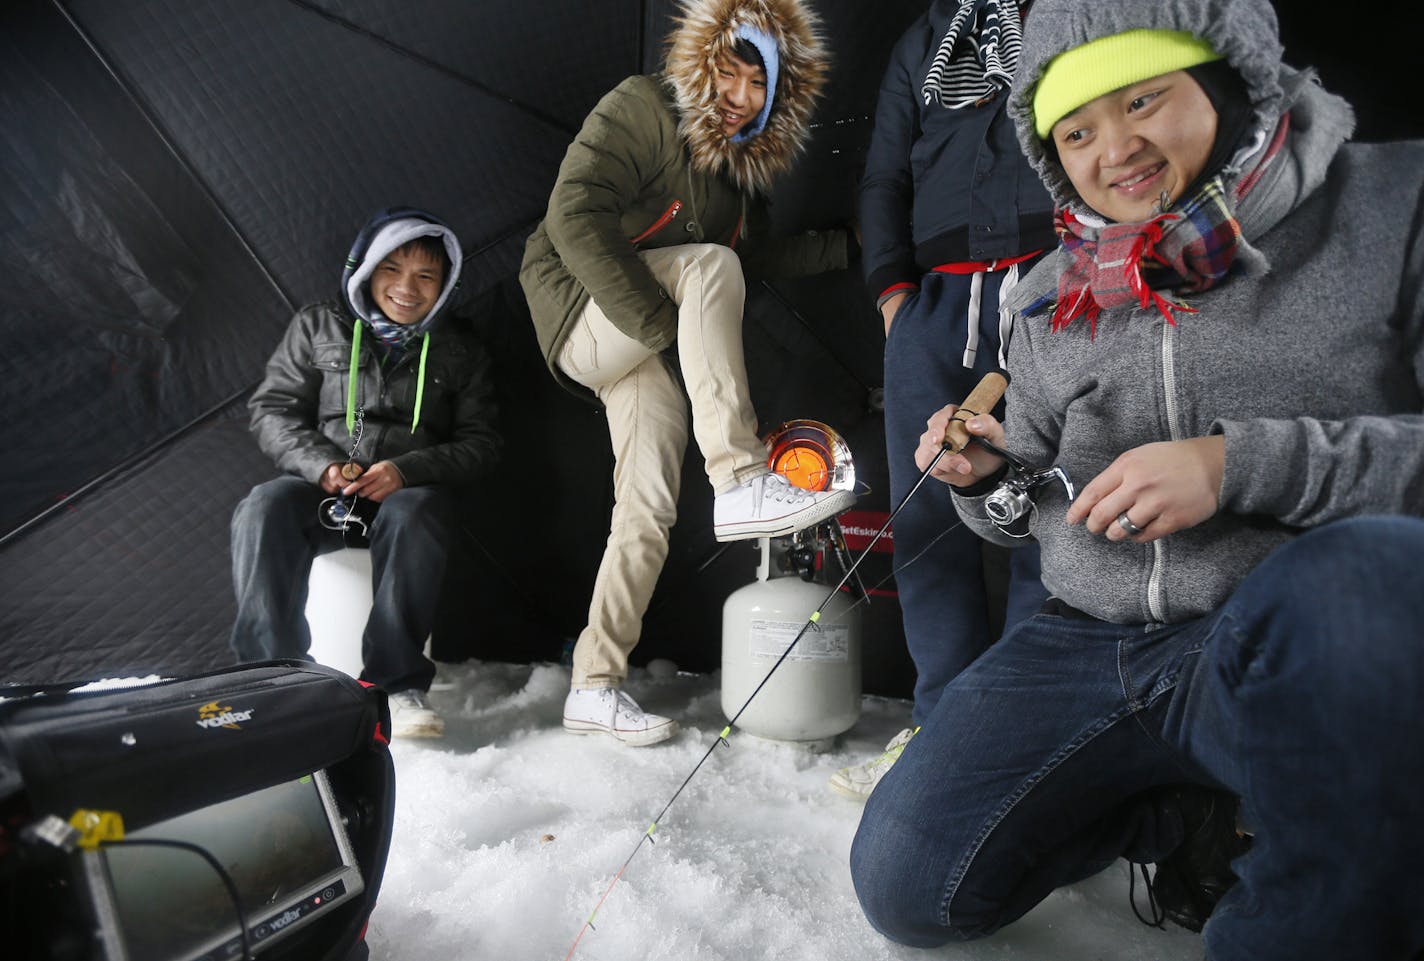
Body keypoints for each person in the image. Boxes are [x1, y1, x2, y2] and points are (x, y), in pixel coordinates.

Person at [849, 0, 1424, 956]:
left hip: (1281, 644)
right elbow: (1026, 503)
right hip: (1087, 641)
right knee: (909, 883)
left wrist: (1237, 464)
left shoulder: (1393, 206)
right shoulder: (1048, 289)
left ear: (1228, 80)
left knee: (1362, 587)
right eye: (1075, 130)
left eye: (1143, 100)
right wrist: (983, 472)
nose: (1114, 149)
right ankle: (1198, 812)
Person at [520, 0, 856, 747]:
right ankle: (738, 476)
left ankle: (594, 682)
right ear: (700, 65)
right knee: (708, 266)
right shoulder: (640, 106)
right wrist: (658, 326)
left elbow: (755, 264)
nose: (740, 96)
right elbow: (573, 213)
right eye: (729, 73)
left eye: (758, 86)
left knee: (647, 507)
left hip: (637, 343)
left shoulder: (737, 179)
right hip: (580, 311)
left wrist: (844, 248)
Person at [830, 0, 1053, 800]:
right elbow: (885, 173)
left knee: (1053, 515)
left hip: (1060, 286)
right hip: (933, 301)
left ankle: (1024, 740)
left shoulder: (1084, 12)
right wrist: (894, 298)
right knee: (924, 520)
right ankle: (940, 731)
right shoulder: (925, 39)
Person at [231, 208, 501, 739]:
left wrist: (407, 469)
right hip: (324, 485)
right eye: (391, 269)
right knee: (264, 504)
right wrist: (322, 465)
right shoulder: (317, 324)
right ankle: (268, 676)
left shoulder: (462, 348)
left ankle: (396, 686)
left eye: (426, 275)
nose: (407, 287)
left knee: (419, 510)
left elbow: (482, 443)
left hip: (405, 493)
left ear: (445, 286)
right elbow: (272, 410)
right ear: (366, 269)